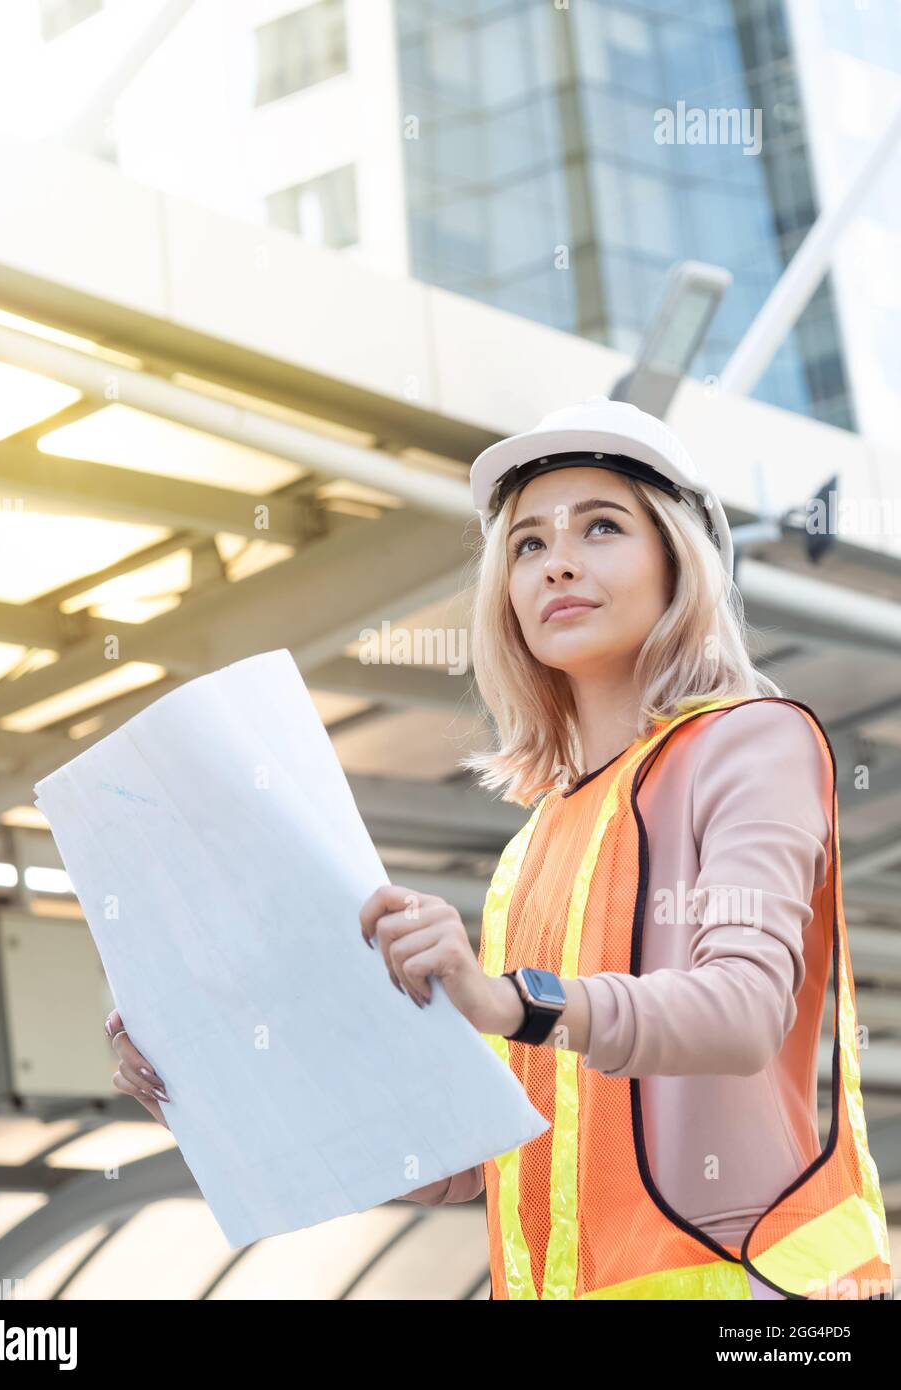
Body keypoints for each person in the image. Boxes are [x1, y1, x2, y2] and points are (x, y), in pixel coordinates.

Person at [106, 398, 892, 1302]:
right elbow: (476, 1161)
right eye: (526, 544)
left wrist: (503, 998)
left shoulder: (751, 741)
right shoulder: (531, 849)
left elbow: (744, 1012)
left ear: (679, 559)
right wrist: (212, 1088)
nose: (557, 559)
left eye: (601, 527)